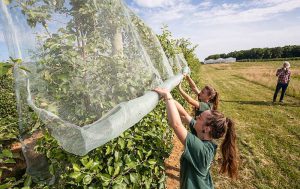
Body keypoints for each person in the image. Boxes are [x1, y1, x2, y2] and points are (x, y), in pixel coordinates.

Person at [153, 87, 238, 189]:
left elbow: (176, 124)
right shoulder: (203, 135)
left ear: (207, 128)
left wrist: (168, 96)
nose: (196, 117)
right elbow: (184, 115)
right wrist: (167, 98)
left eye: (200, 118)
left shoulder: (202, 150)